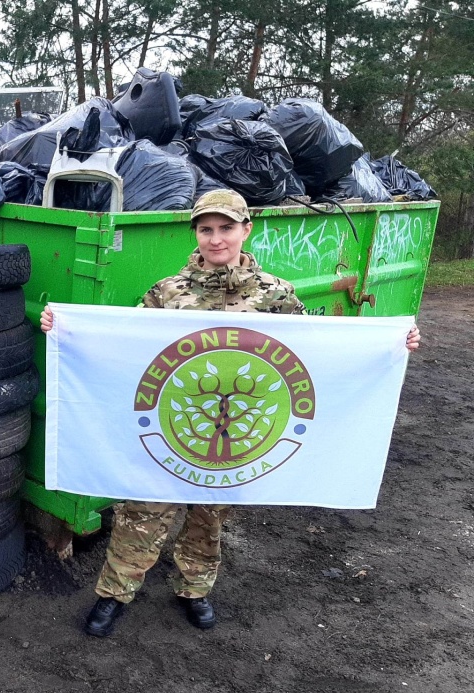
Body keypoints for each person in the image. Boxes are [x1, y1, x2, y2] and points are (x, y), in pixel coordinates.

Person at [40, 188, 422, 637]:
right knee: (141, 512)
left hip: (236, 435)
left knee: (209, 517)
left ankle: (194, 590)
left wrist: (391, 344)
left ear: (246, 230)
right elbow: (127, 348)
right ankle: (114, 593)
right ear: (196, 234)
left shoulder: (276, 294)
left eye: (225, 228)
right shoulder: (167, 292)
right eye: (206, 229)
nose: (216, 239)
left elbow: (316, 351)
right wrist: (67, 330)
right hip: (170, 429)